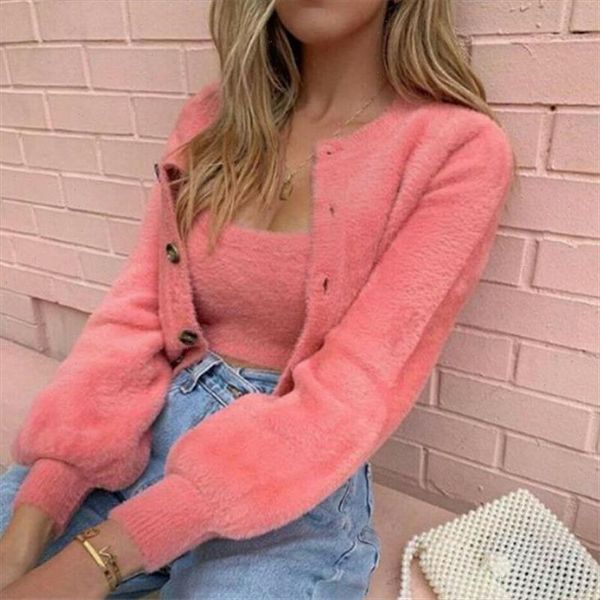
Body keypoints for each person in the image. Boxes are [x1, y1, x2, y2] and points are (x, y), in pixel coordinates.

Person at [0, 0, 516, 598]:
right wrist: (38, 511)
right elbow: (136, 312)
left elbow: (359, 383)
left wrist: (97, 560)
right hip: (139, 430)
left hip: (291, 478)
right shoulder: (212, 120)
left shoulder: (456, 150)